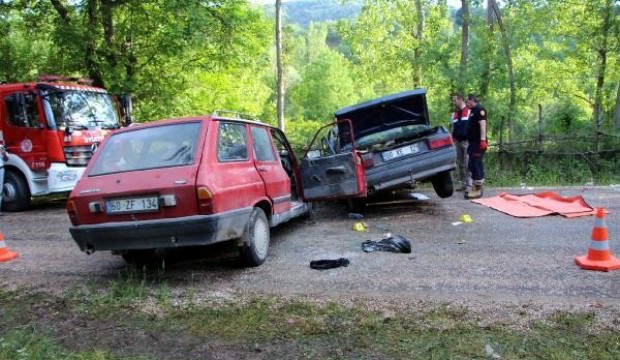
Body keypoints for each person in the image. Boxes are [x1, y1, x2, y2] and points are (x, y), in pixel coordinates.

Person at [465, 94, 487, 199]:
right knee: (471, 164)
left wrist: (482, 140)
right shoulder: (472, 111)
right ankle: (475, 186)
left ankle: (477, 190)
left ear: (472, 100)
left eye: (467, 101)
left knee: (476, 164)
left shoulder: (480, 109)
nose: (466, 103)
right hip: (473, 143)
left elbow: (483, 125)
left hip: (478, 143)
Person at [449, 93, 471, 192]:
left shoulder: (469, 111)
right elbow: (453, 128)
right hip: (457, 142)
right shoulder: (454, 114)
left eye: (454, 100)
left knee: (467, 164)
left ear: (460, 99)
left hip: (467, 141)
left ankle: (469, 185)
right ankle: (463, 185)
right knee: (460, 164)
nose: (453, 102)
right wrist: (451, 140)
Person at [0, 144, 7, 214]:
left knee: (0, 189)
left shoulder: (1, 146)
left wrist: (3, 153)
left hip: (1, 169)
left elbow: (6, 159)